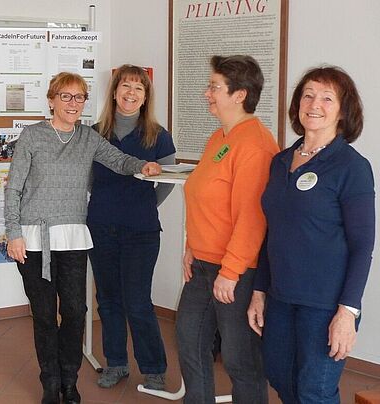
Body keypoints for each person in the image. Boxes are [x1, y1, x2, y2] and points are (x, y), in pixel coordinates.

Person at [4, 72, 161, 404]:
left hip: (73, 238)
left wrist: (143, 165)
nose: (73, 104)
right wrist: (14, 234)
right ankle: (51, 382)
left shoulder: (88, 138)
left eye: (80, 97)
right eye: (66, 96)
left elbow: (117, 160)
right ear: (51, 100)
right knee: (45, 314)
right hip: (34, 241)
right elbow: (13, 188)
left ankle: (70, 380)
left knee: (75, 311)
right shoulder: (32, 136)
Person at [247, 66, 375, 403]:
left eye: (327, 98)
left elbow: (363, 247)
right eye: (308, 95)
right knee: (279, 374)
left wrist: (348, 313)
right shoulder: (280, 162)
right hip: (281, 296)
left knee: (314, 391)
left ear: (343, 110)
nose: (314, 104)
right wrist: (260, 291)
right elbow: (271, 232)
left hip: (325, 303)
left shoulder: (351, 167)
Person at [176, 55, 279, 403]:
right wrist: (191, 245)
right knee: (190, 342)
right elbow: (204, 197)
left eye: (214, 87)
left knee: (240, 361)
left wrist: (231, 272)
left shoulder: (256, 145)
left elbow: (253, 218)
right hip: (203, 265)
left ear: (240, 94)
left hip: (236, 271)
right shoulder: (219, 137)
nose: (207, 93)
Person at [87, 64, 175, 390]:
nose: (131, 93)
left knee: (138, 302)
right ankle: (116, 364)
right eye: (126, 86)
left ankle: (153, 369)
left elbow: (167, 181)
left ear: (145, 96)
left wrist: (146, 206)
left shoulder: (158, 134)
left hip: (141, 232)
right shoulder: (95, 133)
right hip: (100, 227)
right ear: (114, 91)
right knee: (108, 300)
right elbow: (87, 178)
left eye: (139, 88)